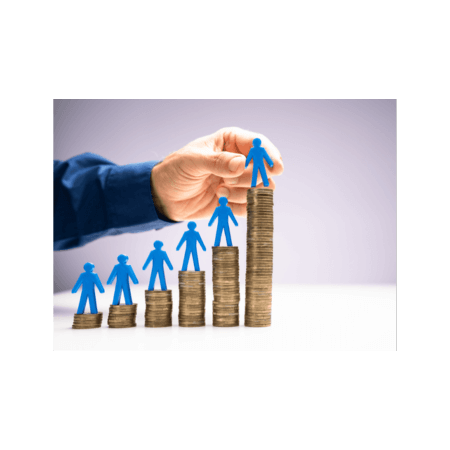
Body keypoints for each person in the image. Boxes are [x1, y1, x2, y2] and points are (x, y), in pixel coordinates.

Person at [53, 127, 283, 250]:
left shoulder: (256, 151)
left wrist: (155, 190)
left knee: (257, 177)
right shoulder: (255, 151)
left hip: (249, 174)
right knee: (255, 178)